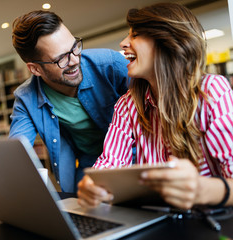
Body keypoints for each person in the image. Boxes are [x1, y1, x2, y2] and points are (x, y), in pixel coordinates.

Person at [0, 10, 129, 193]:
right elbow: (18, 147)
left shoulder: (110, 65)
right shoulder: (26, 98)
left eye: (74, 48)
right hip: (90, 165)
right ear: (35, 69)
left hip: (135, 155)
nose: (73, 60)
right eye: (60, 58)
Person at [77, 2, 233, 210]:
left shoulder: (212, 91)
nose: (123, 43)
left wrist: (200, 189)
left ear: (167, 42)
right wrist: (93, 186)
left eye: (135, 35)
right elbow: (108, 164)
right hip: (156, 219)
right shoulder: (127, 105)